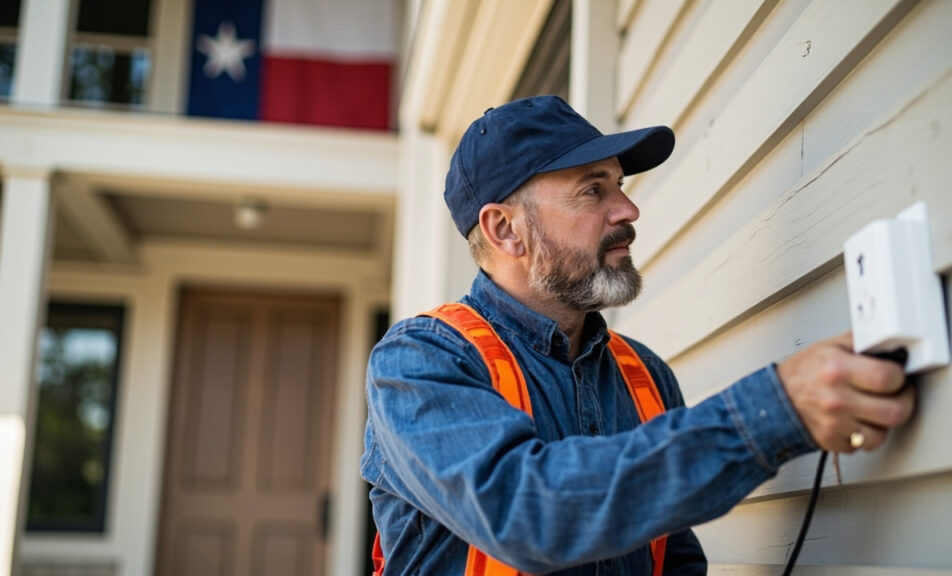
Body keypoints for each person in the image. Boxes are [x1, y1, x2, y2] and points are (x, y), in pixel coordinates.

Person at [361, 95, 915, 574]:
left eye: (618, 185)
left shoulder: (644, 375)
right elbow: (527, 513)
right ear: (505, 229)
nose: (628, 209)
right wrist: (772, 411)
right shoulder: (419, 362)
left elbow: (674, 560)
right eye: (592, 191)